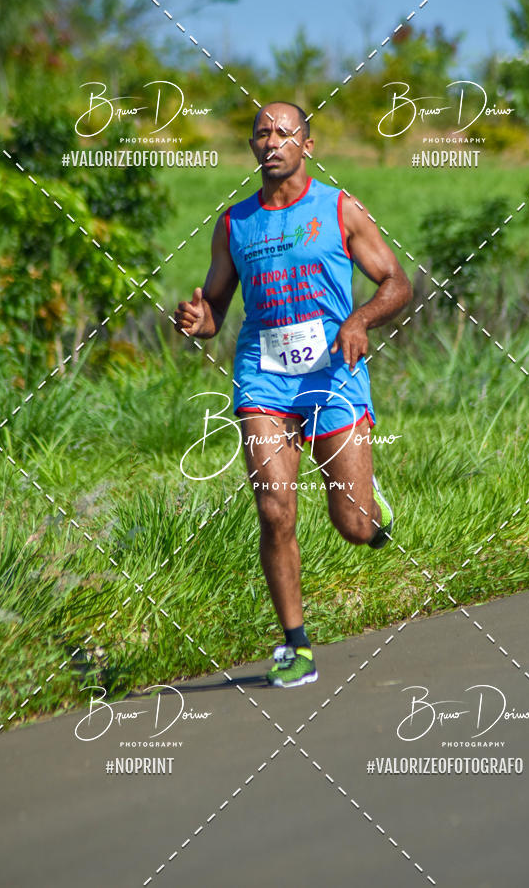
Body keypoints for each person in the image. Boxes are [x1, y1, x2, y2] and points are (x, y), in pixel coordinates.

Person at [174, 101, 412, 687]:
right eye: (262, 132)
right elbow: (216, 310)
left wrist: (359, 321)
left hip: (333, 372)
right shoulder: (234, 224)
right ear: (252, 146)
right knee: (275, 509)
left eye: (285, 132)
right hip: (263, 374)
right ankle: (296, 645)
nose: (272, 141)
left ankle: (370, 505)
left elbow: (398, 282)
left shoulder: (339, 207)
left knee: (354, 525)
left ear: (307, 143)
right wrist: (198, 321)